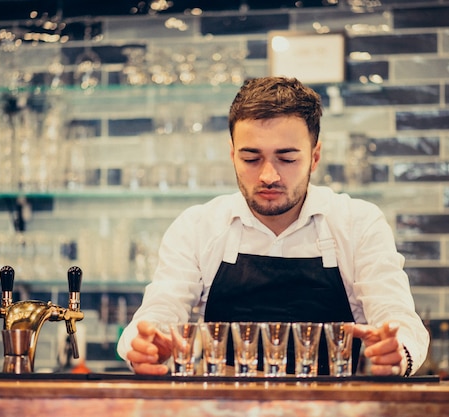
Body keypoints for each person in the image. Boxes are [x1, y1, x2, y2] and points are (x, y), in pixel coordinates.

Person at [117, 76, 429, 376]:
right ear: (232, 155)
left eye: (287, 159)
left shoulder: (357, 223)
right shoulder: (198, 226)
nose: (268, 176)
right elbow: (159, 311)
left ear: (315, 156)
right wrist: (146, 345)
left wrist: (397, 350)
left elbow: (399, 318)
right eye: (251, 159)